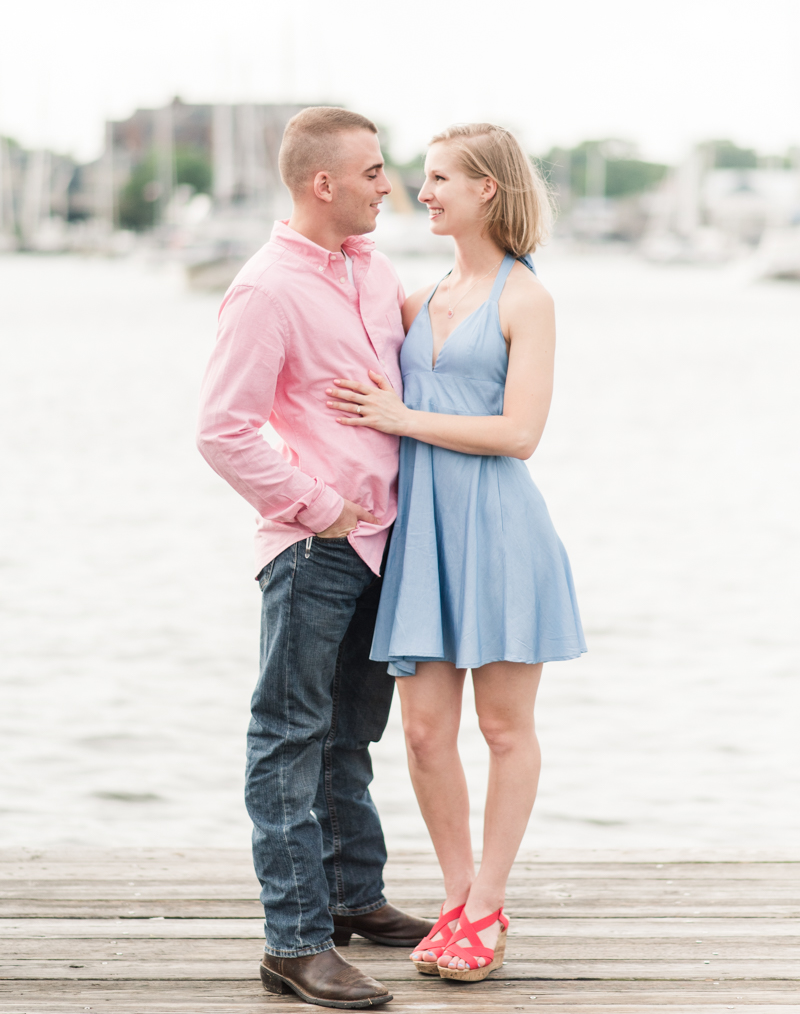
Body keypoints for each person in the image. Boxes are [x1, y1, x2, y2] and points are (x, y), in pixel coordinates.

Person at [324, 123, 586, 983]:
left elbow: (520, 433)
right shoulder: (417, 295)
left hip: (501, 535)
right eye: (423, 176)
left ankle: (488, 906)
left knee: (505, 729)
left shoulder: (525, 300)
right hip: (422, 539)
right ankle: (458, 893)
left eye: (440, 178)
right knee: (428, 735)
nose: (421, 190)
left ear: (490, 191)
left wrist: (402, 419)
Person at [196, 106, 432, 1009]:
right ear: (321, 182)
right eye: (373, 170)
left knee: (350, 737)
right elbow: (222, 431)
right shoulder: (265, 289)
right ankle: (294, 943)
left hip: (385, 547)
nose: (389, 183)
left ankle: (350, 895)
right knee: (287, 740)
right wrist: (320, 506)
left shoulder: (375, 271)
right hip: (313, 547)